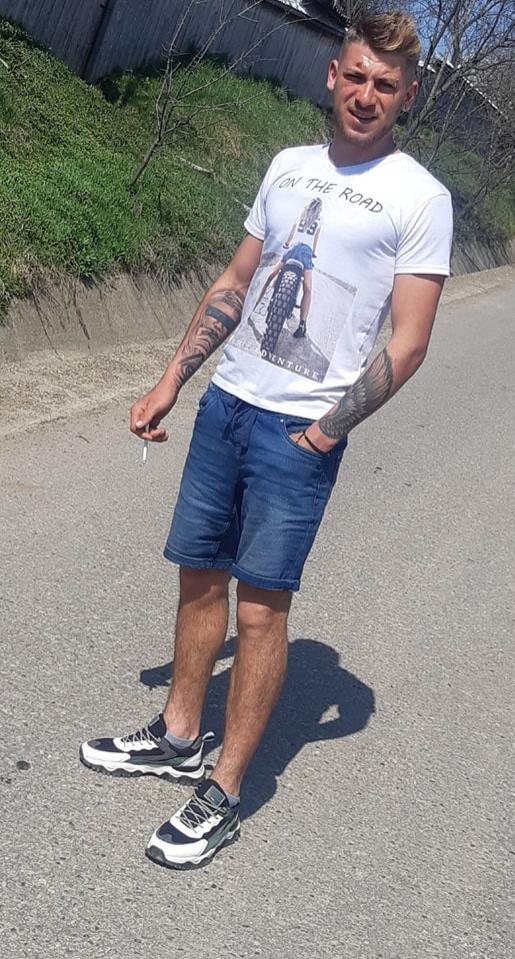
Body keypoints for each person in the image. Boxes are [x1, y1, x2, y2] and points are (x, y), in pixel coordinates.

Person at [80, 11, 453, 870]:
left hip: (298, 430)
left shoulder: (419, 197)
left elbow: (408, 341)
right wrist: (173, 378)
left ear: (406, 94)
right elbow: (238, 279)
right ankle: (179, 733)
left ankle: (224, 789)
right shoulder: (287, 165)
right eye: (355, 76)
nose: (365, 95)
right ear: (332, 74)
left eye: (385, 85)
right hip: (226, 404)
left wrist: (323, 432)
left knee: (259, 610)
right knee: (198, 576)